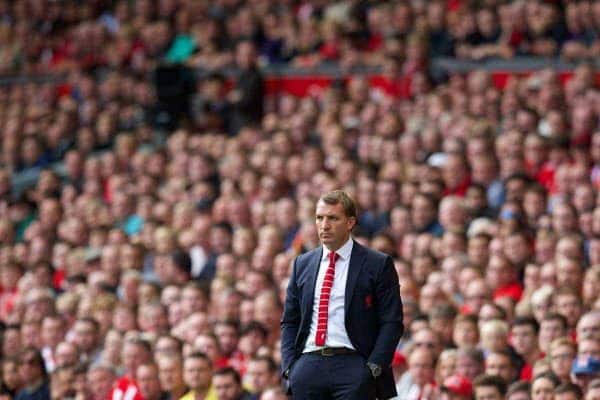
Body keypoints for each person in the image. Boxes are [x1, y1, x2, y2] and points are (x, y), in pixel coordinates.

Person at [280, 190, 403, 399]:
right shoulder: (302, 263)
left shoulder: (377, 264)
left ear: (350, 222)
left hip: (354, 364)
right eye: (319, 218)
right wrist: (290, 367)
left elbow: (392, 321)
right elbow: (290, 321)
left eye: (333, 218)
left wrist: (373, 368)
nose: (324, 225)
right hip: (308, 365)